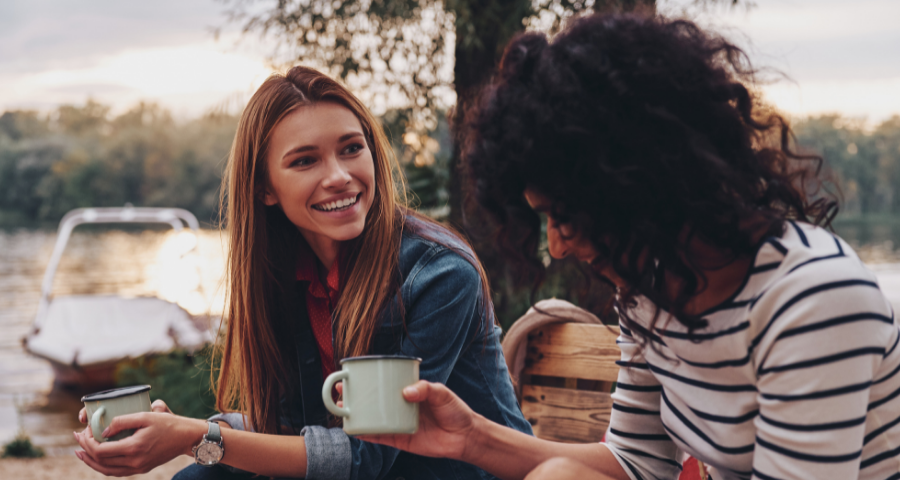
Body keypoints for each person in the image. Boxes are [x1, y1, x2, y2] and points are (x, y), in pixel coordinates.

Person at [356, 13, 900, 480]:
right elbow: (635, 462)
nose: (559, 248)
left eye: (565, 217)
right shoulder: (652, 291)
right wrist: (470, 437)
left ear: (643, 181)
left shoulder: (815, 301)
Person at [73, 66, 532, 479]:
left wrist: (194, 437)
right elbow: (290, 426)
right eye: (305, 160)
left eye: (352, 149)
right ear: (265, 189)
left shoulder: (438, 273)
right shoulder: (286, 272)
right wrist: (174, 429)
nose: (339, 176)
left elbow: (364, 457)